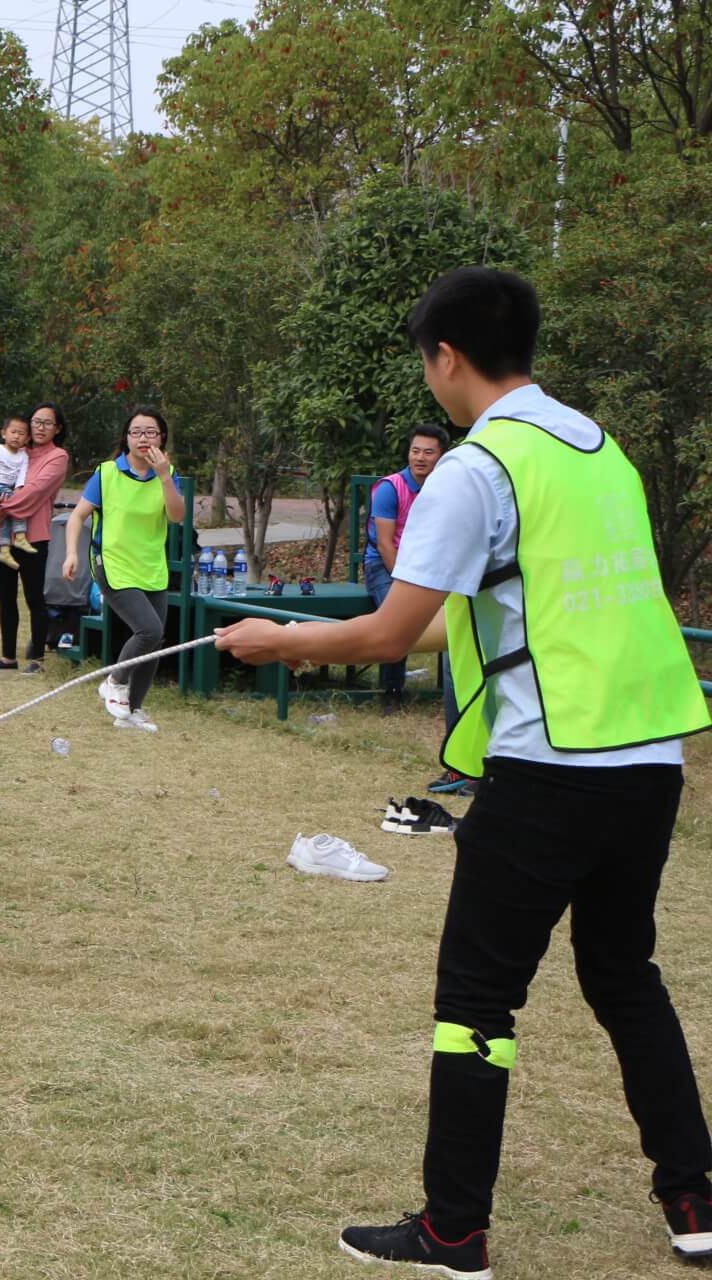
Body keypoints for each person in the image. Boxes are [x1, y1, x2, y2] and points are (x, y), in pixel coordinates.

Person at [217, 266, 712, 1276]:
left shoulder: (478, 468)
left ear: (446, 357)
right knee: (624, 974)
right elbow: (476, 615)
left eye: (424, 361)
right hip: (649, 760)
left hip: (550, 769)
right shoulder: (597, 449)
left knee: (477, 998)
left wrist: (284, 640)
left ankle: (453, 1231)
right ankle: (696, 1198)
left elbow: (392, 631)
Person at [61, 407, 185, 732]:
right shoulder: (106, 474)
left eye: (151, 432)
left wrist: (164, 476)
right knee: (149, 630)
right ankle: (114, 682)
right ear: (126, 438)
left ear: (161, 438)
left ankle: (132, 711)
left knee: (155, 641)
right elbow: (77, 516)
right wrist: (71, 553)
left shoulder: (167, 474)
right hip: (112, 563)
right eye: (136, 432)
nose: (143, 438)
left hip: (151, 566)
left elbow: (177, 517)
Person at [366, 424, 450, 715]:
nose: (420, 458)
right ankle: (392, 692)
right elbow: (385, 545)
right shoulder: (390, 488)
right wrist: (408, 583)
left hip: (429, 565)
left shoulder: (446, 489)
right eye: (415, 451)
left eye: (428, 452)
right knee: (398, 617)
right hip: (386, 566)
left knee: (462, 611)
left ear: (441, 456)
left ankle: (455, 692)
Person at [0, 404, 70, 673]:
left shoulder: (57, 457)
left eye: (47, 423)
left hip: (33, 536)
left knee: (35, 597)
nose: (40, 427)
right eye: (36, 421)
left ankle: (37, 659)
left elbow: (35, 492)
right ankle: (8, 657)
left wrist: (1, 509)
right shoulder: (16, 452)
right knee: (5, 597)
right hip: (0, 535)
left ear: (57, 428)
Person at [0, 417, 33, 569]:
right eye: (13, 432)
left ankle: (4, 550)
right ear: (4, 433)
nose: (16, 436)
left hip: (8, 490)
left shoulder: (23, 455)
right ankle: (20, 536)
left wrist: (18, 489)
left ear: (27, 438)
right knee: (18, 503)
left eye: (21, 434)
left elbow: (22, 474)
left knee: (7, 515)